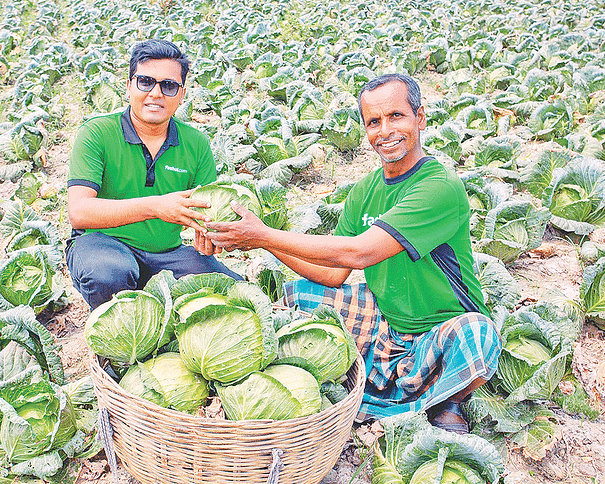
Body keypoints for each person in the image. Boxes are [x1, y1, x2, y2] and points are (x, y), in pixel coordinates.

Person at [205, 73, 501, 434]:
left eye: (396, 116)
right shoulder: (364, 190)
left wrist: (266, 233)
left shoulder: (439, 186)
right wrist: (263, 242)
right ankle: (390, 388)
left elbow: (359, 254)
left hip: (438, 330)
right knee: (299, 295)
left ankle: (445, 400)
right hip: (386, 319)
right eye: (374, 122)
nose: (385, 131)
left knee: (479, 336)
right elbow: (333, 274)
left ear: (419, 118)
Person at [65, 39, 241, 310]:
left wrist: (212, 235)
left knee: (231, 289)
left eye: (169, 86)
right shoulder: (97, 132)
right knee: (109, 274)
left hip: (166, 255)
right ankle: (113, 342)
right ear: (129, 86)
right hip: (103, 245)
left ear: (182, 95)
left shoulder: (195, 143)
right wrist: (156, 207)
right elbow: (80, 212)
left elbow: (208, 210)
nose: (156, 94)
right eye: (145, 81)